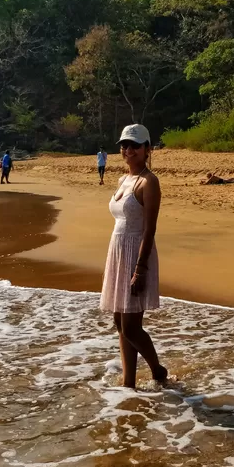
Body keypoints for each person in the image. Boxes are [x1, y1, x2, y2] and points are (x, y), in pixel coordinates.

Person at [100, 124, 168, 389]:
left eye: (134, 145)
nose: (128, 150)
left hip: (136, 254)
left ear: (147, 149)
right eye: (124, 145)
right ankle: (128, 382)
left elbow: (150, 228)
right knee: (120, 322)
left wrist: (140, 269)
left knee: (130, 326)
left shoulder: (149, 181)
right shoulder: (123, 179)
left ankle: (157, 369)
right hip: (117, 251)